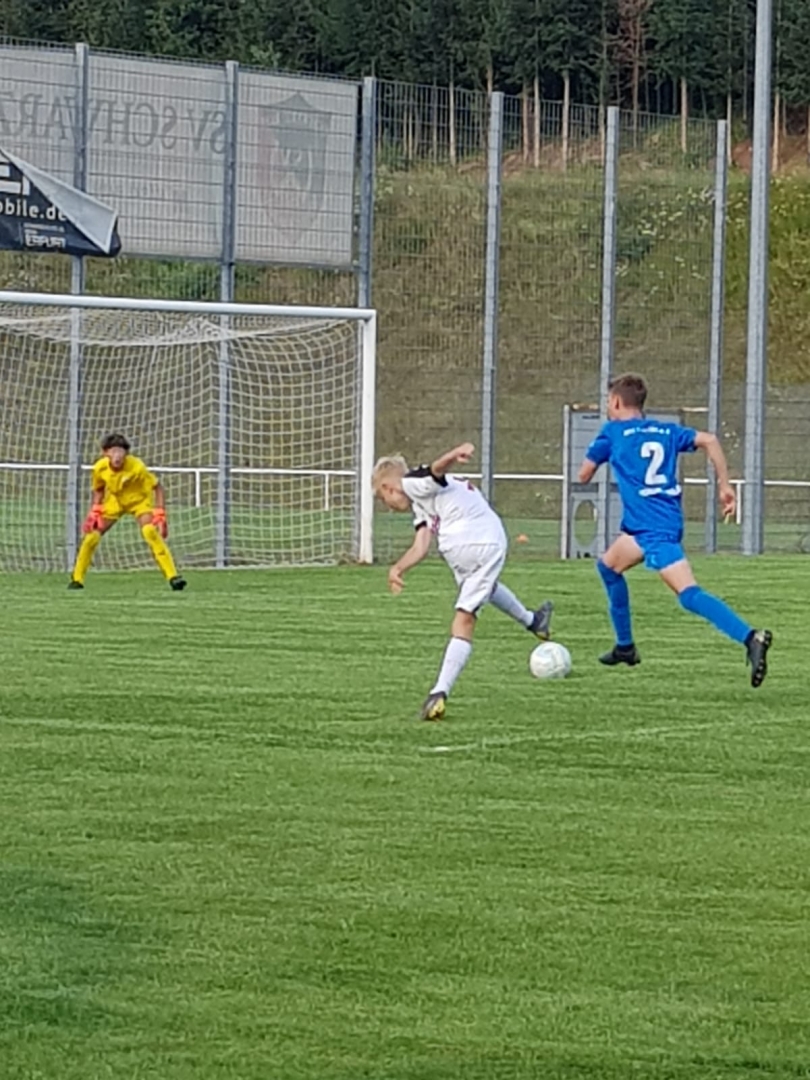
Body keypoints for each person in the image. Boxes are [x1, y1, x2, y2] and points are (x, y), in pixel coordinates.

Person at [578, 373, 771, 686]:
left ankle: (751, 637)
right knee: (609, 566)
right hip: (647, 526)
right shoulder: (666, 431)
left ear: (615, 401)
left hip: (654, 529)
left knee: (689, 594)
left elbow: (584, 475)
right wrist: (725, 486)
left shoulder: (612, 432)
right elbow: (709, 440)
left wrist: (600, 455)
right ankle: (625, 647)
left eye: (608, 403)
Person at [372, 441, 553, 720]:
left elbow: (435, 470)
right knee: (480, 593)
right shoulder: (422, 503)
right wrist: (397, 568)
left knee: (464, 618)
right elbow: (420, 546)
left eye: (383, 500)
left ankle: (439, 693)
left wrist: (453, 455)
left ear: (387, 487)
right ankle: (533, 621)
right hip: (478, 545)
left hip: (472, 543)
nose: (388, 506)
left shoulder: (411, 483)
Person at [68, 433, 186, 592]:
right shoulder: (100, 467)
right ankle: (77, 580)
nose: (117, 455)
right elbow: (99, 488)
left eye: (120, 451)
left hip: (139, 502)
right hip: (115, 502)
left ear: (126, 453)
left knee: (150, 531)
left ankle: (173, 577)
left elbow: (157, 487)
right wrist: (95, 509)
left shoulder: (137, 466)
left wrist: (160, 512)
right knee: (91, 537)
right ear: (106, 453)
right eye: (113, 451)